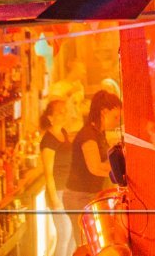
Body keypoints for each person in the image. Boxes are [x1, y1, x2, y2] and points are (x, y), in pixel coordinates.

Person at [64, 90, 123, 225]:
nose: (117, 122)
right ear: (104, 112)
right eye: (115, 117)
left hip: (89, 194)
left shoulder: (99, 133)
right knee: (85, 237)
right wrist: (120, 176)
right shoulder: (88, 135)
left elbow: (106, 161)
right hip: (78, 196)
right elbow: (95, 168)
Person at [39, 98, 76, 256]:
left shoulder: (63, 133)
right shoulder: (48, 141)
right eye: (60, 112)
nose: (64, 114)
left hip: (69, 190)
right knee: (64, 233)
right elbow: (48, 173)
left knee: (74, 232)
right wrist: (54, 199)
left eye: (65, 111)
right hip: (58, 191)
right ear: (50, 117)